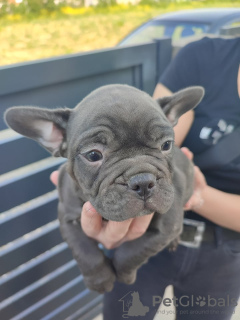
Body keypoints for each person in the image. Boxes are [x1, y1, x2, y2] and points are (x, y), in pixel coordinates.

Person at [51, 36, 240, 320]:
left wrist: (196, 194)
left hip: (222, 253)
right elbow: (146, 126)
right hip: (146, 240)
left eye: (165, 145)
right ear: (57, 139)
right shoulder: (204, 56)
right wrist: (94, 263)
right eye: (94, 154)